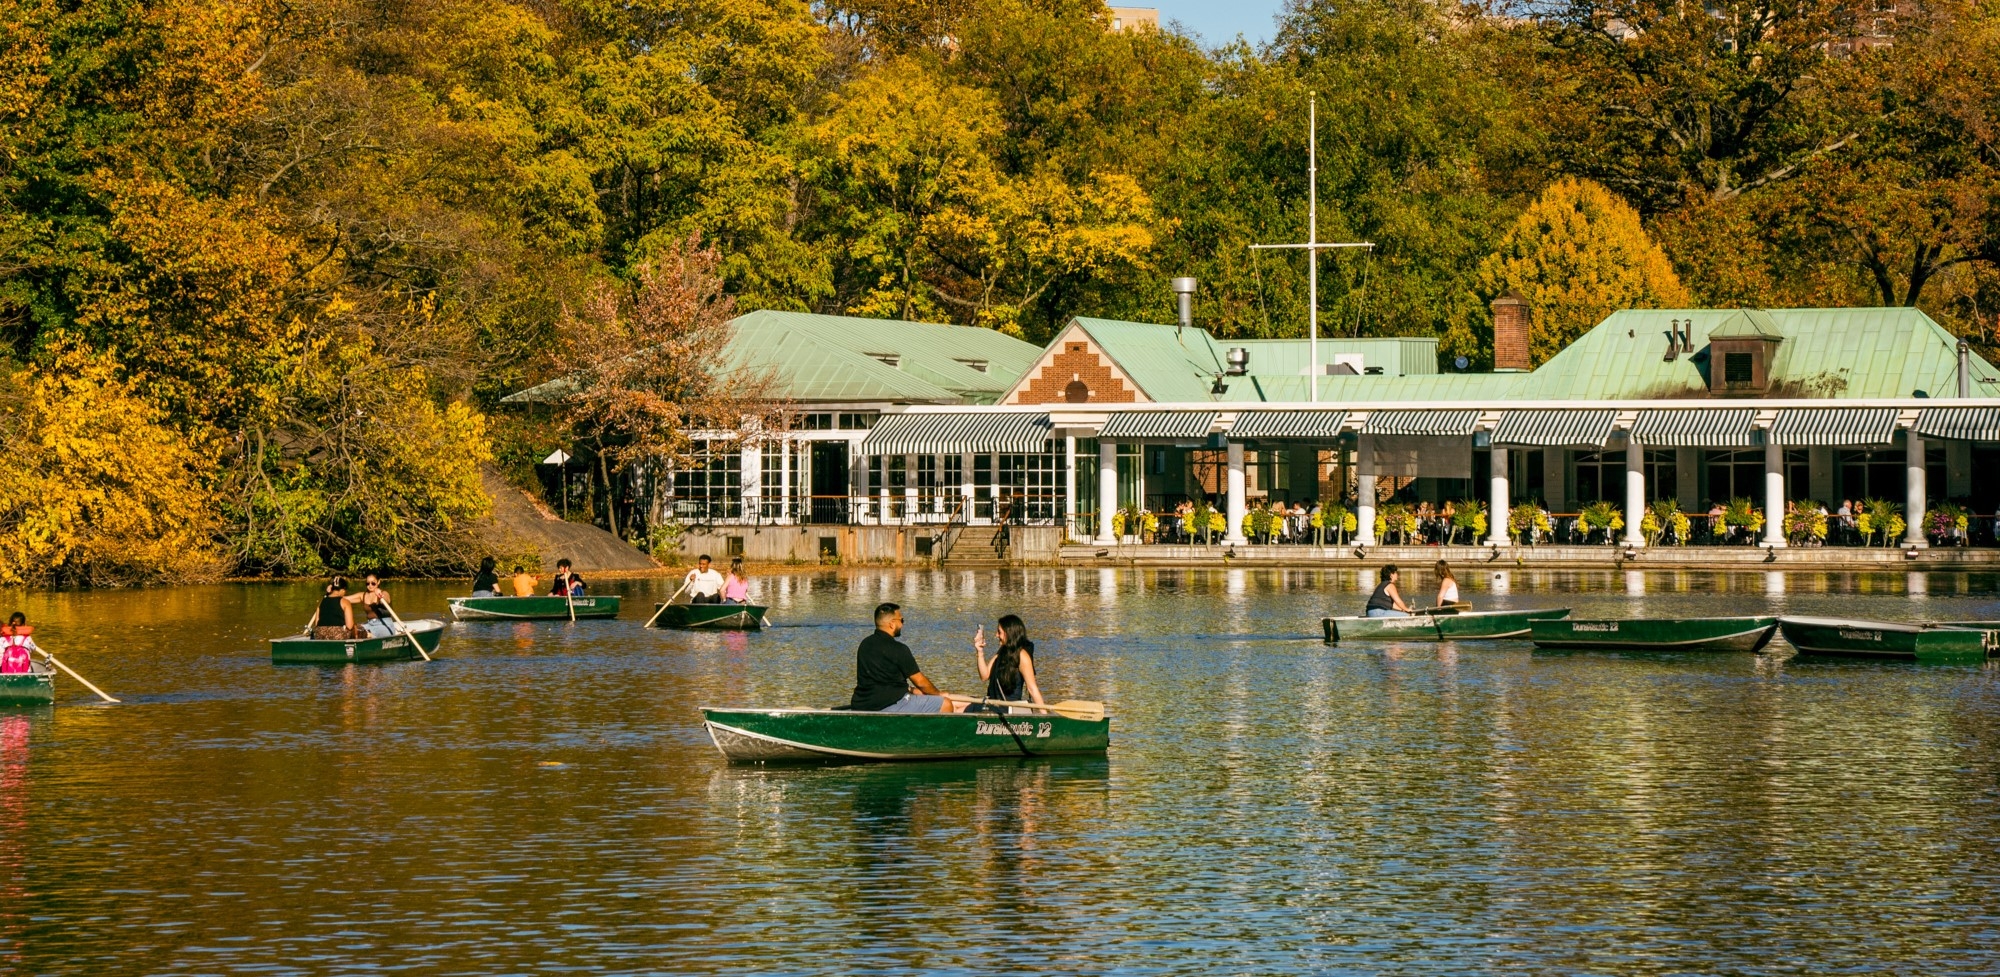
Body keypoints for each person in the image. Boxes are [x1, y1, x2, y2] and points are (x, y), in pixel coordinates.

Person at [850, 603, 957, 713]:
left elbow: (883, 681)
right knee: (945, 704)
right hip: (888, 705)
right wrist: (937, 694)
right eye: (901, 620)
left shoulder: (865, 644)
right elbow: (920, 681)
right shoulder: (898, 649)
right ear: (892, 624)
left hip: (861, 704)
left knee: (938, 700)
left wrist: (912, 690)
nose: (902, 624)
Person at [972, 614, 1045, 713]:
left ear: (1009, 633)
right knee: (951, 699)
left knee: (956, 707)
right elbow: (984, 676)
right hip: (993, 704)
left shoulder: (1022, 656)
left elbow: (1032, 688)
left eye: (999, 632)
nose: (996, 635)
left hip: (1008, 709)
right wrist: (980, 651)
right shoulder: (1002, 650)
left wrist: (1045, 716)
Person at [344, 573, 397, 638]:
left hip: (384, 625)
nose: (370, 585)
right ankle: (367, 635)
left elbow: (386, 599)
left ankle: (369, 635)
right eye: (367, 583)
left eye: (373, 583)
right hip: (370, 624)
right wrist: (332, 593)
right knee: (353, 630)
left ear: (378, 582)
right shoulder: (362, 595)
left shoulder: (384, 593)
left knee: (362, 633)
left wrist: (381, 596)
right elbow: (344, 599)